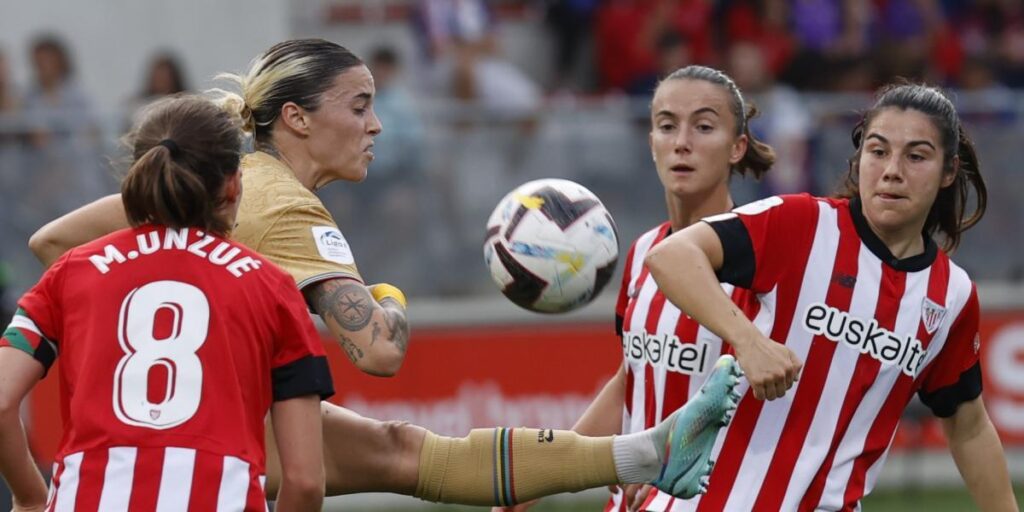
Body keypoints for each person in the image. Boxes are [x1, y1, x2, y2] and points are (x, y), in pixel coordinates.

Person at [27, 38, 742, 507]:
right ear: (298, 120)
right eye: (359, 106)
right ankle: (642, 454)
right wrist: (386, 296)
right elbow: (380, 352)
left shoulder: (216, 171)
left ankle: (644, 453)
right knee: (409, 455)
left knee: (401, 450)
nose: (376, 126)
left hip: (142, 420)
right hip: (208, 424)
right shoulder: (289, 210)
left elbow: (52, 240)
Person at [645, 83, 1018, 510]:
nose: (892, 170)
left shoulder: (951, 295)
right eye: (878, 152)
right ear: (860, 159)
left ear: (948, 171)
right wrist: (747, 340)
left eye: (915, 156)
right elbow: (672, 256)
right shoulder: (802, 223)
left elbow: (967, 425)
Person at [0, 95, 331, 511]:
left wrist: (31, 498)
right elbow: (303, 482)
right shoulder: (271, 286)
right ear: (232, 183)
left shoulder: (72, 270)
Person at [499, 65, 801, 512]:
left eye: (703, 126)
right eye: (666, 126)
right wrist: (544, 475)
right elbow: (630, 379)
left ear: (737, 148)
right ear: (651, 142)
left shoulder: (764, 265)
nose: (682, 142)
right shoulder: (644, 251)